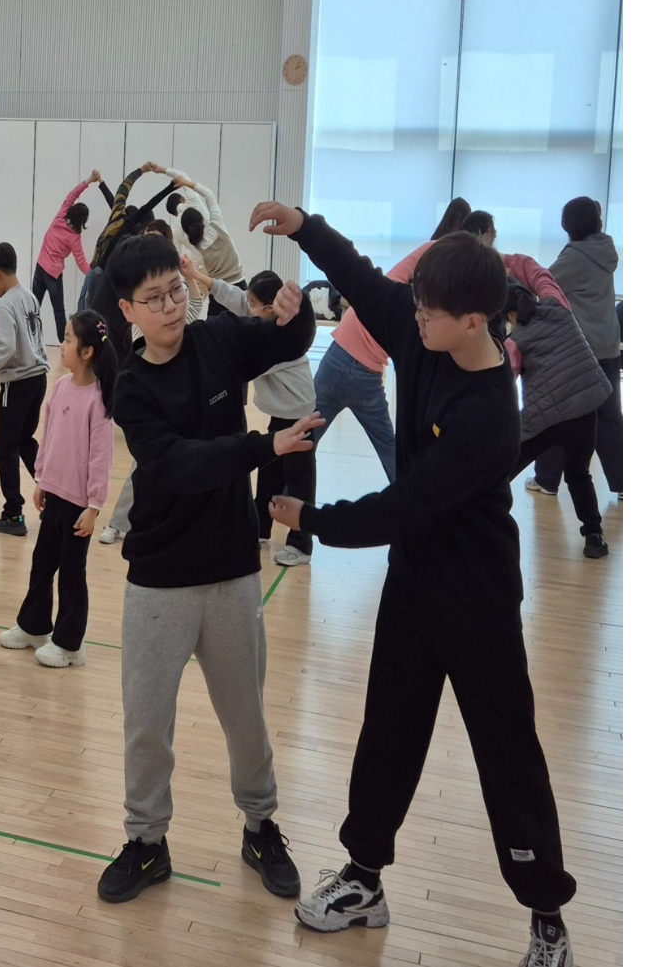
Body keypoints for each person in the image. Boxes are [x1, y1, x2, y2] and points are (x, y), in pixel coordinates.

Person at [257, 202, 577, 967]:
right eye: (419, 302)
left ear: (474, 320)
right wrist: (303, 226)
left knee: (507, 752)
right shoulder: (423, 328)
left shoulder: (490, 415)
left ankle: (547, 916)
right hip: (413, 588)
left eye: (430, 309)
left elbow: (405, 504)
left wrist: (312, 518)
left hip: (479, 604)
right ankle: (364, 878)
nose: (415, 314)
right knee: (388, 733)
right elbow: (363, 279)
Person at [94, 233, 315, 906]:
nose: (171, 307)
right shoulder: (131, 387)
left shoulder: (217, 341)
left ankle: (261, 826)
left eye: (176, 292)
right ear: (128, 310)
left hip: (230, 570)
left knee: (246, 715)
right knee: (146, 722)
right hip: (158, 577)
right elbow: (179, 465)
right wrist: (263, 446)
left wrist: (295, 310)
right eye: (155, 298)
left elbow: (285, 339)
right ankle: (146, 841)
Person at [308, 198, 469, 483]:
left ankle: (279, 499)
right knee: (392, 452)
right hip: (363, 368)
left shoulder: (426, 255)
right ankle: (413, 501)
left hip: (338, 354)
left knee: (305, 438)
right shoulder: (440, 259)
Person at [0, 309, 118, 668]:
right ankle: (34, 626)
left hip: (79, 505)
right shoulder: (61, 387)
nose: (61, 345)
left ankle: (69, 644)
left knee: (71, 574)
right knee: (41, 564)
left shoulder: (99, 400)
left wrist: (94, 506)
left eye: (67, 339)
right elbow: (47, 437)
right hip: (54, 496)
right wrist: (41, 480)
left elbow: (101, 458)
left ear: (87, 352)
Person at [184, 262, 316, 567]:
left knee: (299, 482)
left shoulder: (281, 339)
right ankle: (260, 529)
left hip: (300, 416)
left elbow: (243, 360)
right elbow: (235, 297)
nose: (247, 306)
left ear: (270, 309)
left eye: (253, 304)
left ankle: (301, 544)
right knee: (268, 475)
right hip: (280, 415)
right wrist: (196, 276)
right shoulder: (262, 317)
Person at [503, 283, 612, 559]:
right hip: (583, 412)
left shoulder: (515, 341)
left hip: (545, 419)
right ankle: (594, 536)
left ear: (511, 316)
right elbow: (542, 278)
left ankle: (482, 524)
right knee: (578, 474)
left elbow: (505, 382)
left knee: (502, 470)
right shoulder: (561, 311)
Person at [530, 197, 622, 501]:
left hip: (581, 349)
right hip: (608, 345)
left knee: (558, 413)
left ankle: (546, 479)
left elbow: (543, 284)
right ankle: (624, 482)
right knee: (609, 419)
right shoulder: (605, 250)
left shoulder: (576, 256)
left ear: (569, 225)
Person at [0, 242, 49, 537]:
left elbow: (4, 349)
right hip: (38, 378)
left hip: (17, 383)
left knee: (5, 448)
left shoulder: (5, 304)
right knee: (24, 441)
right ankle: (53, 497)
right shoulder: (29, 296)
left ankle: (13, 514)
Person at [78, 162, 181, 311]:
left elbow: (123, 188)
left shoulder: (117, 217)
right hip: (110, 280)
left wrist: (142, 170)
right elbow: (149, 205)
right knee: (95, 316)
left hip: (96, 271)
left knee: (84, 313)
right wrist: (170, 188)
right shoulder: (136, 235)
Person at [162, 168, 246, 314]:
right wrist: (168, 173)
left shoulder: (194, 248)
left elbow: (179, 260)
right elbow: (209, 195)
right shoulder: (217, 225)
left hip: (217, 293)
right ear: (201, 219)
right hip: (239, 286)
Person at [33, 171, 103, 339]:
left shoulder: (61, 216)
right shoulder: (74, 238)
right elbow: (82, 262)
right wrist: (94, 275)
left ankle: (26, 339)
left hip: (40, 268)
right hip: (53, 275)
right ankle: (65, 344)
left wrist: (89, 180)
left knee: (32, 308)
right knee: (59, 312)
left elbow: (72, 195)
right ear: (82, 221)